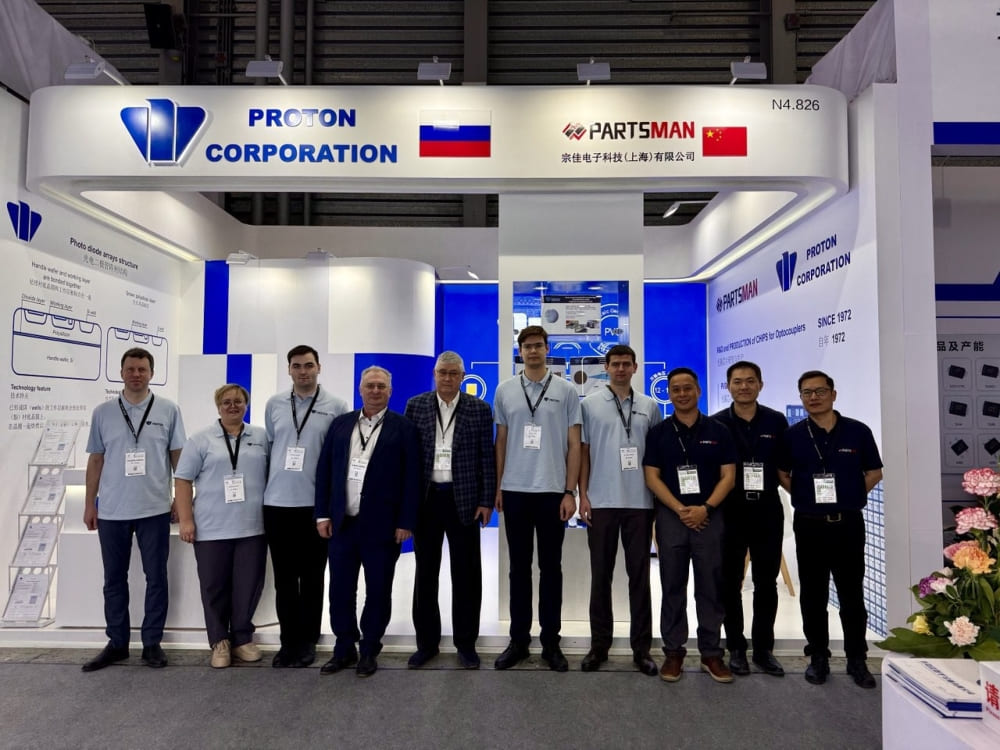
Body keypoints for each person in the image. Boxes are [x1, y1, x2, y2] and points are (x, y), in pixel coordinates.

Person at [81, 347, 186, 672]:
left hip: (154, 508)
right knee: (114, 579)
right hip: (112, 510)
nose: (136, 374)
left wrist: (180, 499)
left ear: (151, 373)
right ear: (121, 373)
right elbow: (96, 459)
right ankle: (117, 643)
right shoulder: (103, 412)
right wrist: (90, 503)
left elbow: (178, 457)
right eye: (130, 369)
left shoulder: (168, 410)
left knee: (156, 577)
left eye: (142, 369)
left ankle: (152, 643)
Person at [777, 370, 883, 689]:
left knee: (851, 594)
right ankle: (818, 657)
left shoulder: (857, 431)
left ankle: (857, 659)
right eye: (807, 392)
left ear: (833, 394)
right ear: (801, 398)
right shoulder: (793, 435)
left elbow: (874, 472)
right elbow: (783, 473)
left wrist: (850, 497)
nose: (814, 397)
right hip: (809, 523)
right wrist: (804, 497)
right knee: (813, 594)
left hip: (847, 524)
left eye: (820, 391)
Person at [314, 366, 421, 677]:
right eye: (370, 386)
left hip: (383, 527)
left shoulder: (404, 428)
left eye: (381, 386)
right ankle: (343, 647)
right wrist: (323, 513)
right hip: (342, 524)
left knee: (378, 591)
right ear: (360, 390)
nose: (375, 391)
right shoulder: (341, 424)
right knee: (340, 590)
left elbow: (412, 479)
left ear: (390, 391)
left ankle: (370, 648)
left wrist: (406, 521)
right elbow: (325, 471)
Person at [493, 325, 582, 672]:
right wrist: (499, 487)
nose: (533, 351)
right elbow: (501, 441)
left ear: (547, 349)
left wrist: (570, 491)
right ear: (520, 351)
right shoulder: (505, 390)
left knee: (551, 569)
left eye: (538, 346)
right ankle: (518, 641)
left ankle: (550, 643)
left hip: (552, 492)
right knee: (518, 569)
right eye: (527, 346)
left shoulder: (566, 390)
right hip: (515, 491)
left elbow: (574, 444)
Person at [643, 367, 736, 683]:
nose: (682, 394)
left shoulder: (719, 430)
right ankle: (673, 652)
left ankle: (711, 653)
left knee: (710, 586)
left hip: (710, 516)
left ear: (698, 391)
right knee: (672, 585)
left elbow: (728, 476)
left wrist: (705, 508)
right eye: (676, 389)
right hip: (672, 517)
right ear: (669, 394)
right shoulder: (658, 432)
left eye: (687, 388)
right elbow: (651, 477)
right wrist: (680, 509)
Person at [404, 352, 496, 670]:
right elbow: (409, 458)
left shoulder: (479, 409)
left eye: (453, 373)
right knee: (425, 574)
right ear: (435, 374)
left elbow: (487, 457)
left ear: (462, 376)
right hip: (427, 500)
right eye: (442, 372)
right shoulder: (416, 405)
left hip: (464, 500)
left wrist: (486, 501)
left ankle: (466, 644)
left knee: (467, 575)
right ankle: (426, 644)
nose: (447, 378)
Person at [578, 345, 662, 676]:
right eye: (615, 364)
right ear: (606, 367)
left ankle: (641, 649)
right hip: (601, 503)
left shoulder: (649, 406)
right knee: (601, 577)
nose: (621, 369)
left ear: (635, 367)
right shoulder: (589, 405)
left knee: (639, 578)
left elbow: (656, 457)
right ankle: (599, 646)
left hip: (640, 503)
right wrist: (582, 495)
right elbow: (583, 453)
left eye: (627, 364)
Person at [263, 345, 349, 668]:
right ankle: (288, 642)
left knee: (313, 578)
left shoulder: (336, 406)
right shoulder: (274, 404)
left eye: (309, 365)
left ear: (318, 368)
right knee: (284, 579)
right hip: (277, 504)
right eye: (297, 366)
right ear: (289, 369)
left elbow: (338, 458)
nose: (303, 371)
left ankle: (309, 640)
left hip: (315, 507)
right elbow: (272, 447)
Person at [174, 384, 268, 668]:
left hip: (253, 527)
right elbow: (182, 480)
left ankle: (242, 638)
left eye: (238, 401)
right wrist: (186, 520)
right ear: (218, 406)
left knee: (248, 586)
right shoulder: (200, 440)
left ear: (246, 405)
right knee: (214, 587)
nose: (233, 406)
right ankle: (219, 641)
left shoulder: (261, 437)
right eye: (226, 402)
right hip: (211, 527)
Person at [712, 361, 789, 678]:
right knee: (730, 582)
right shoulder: (716, 424)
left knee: (766, 582)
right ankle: (735, 648)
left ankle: (763, 650)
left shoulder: (776, 421)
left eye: (750, 381)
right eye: (737, 381)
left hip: (767, 509)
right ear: (728, 386)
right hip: (730, 510)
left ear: (760, 384)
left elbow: (785, 466)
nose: (743, 386)